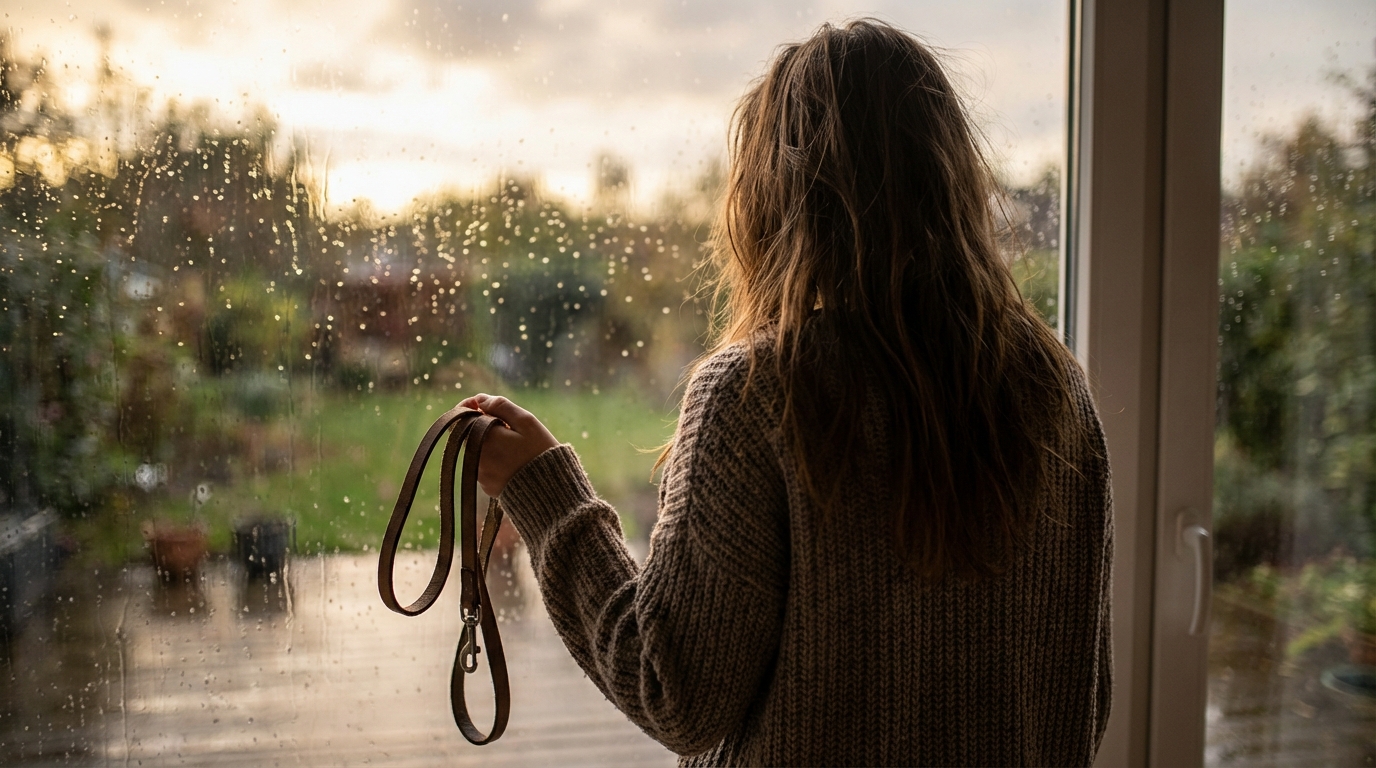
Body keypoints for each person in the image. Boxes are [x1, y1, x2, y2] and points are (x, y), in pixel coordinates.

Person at [460, 18, 1112, 767]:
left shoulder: (757, 395)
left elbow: (676, 692)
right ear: (951, 179)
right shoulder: (1056, 389)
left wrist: (548, 497)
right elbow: (1083, 699)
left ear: (777, 198)